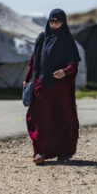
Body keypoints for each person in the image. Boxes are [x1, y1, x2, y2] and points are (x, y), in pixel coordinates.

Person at [23, 9, 81, 165]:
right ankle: (39, 152)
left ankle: (64, 152)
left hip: (61, 88)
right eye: (52, 21)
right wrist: (28, 79)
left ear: (64, 22)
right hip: (42, 86)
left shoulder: (67, 40)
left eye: (58, 21)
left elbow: (74, 65)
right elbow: (34, 61)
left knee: (62, 118)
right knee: (41, 118)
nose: (54, 24)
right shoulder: (42, 39)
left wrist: (65, 71)